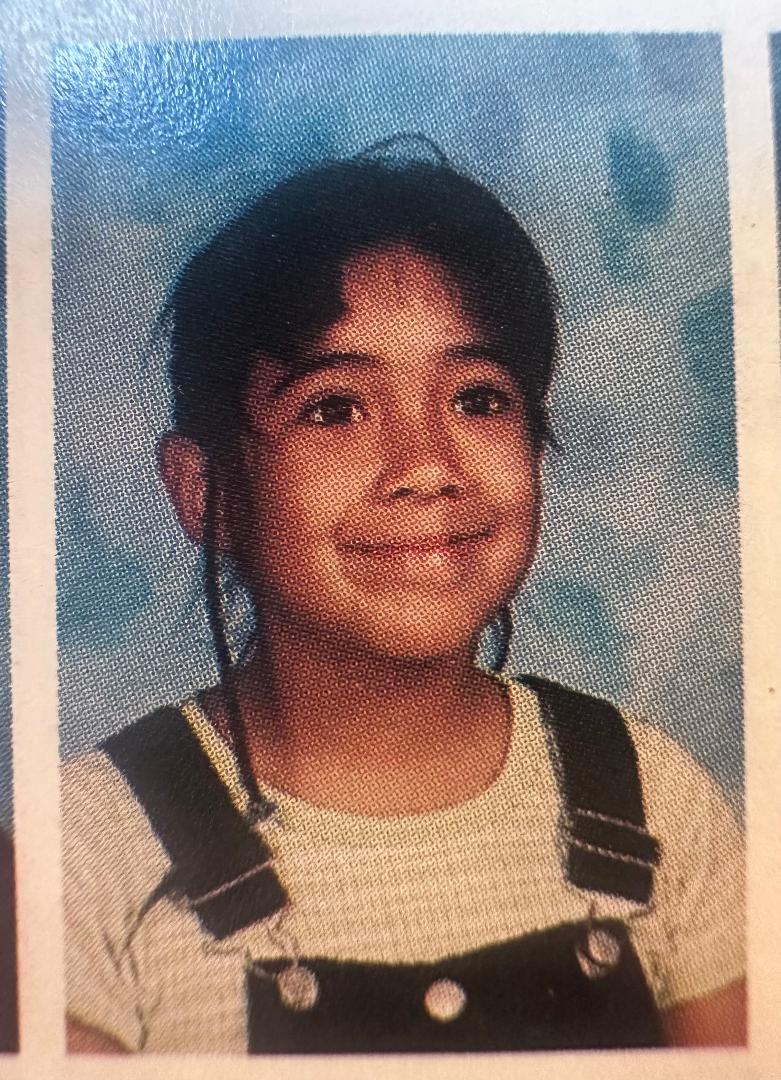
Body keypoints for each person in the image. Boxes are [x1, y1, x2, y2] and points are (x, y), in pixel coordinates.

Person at [63, 142, 745, 1054]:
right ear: (205, 491)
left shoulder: (654, 798)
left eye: (478, 399)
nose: (426, 467)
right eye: (335, 409)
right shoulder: (87, 855)